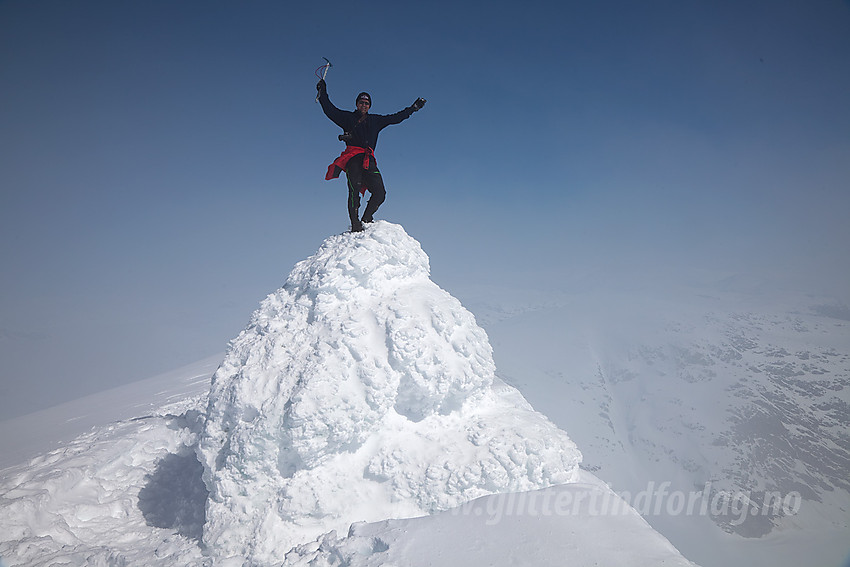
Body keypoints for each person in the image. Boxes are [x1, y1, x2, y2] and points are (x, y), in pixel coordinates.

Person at [317, 78, 425, 232]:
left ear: (369, 106)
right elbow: (330, 110)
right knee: (354, 190)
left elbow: (396, 117)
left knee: (380, 193)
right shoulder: (347, 118)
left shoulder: (376, 121)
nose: (364, 105)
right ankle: (356, 225)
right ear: (356, 104)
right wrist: (322, 92)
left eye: (366, 103)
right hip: (353, 158)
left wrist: (413, 108)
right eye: (361, 102)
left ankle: (366, 219)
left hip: (369, 160)